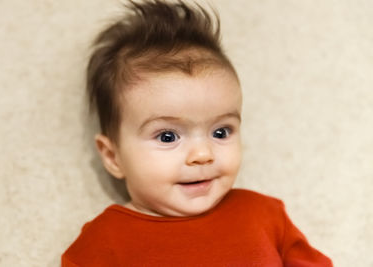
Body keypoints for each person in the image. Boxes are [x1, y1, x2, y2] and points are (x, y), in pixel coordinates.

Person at [62, 0, 333, 266]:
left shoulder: (264, 215)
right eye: (168, 137)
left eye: (221, 132)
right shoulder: (100, 246)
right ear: (113, 157)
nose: (203, 154)